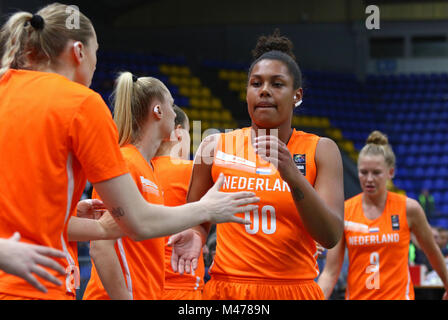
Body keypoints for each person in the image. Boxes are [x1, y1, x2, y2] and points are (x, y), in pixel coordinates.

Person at [0, 3, 258, 300]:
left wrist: (74, 220)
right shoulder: (81, 103)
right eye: (97, 51)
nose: (97, 63)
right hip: (38, 287)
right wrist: (207, 209)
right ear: (79, 52)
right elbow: (138, 223)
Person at [169, 29, 344, 300]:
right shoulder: (214, 145)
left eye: (276, 84)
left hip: (294, 289)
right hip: (228, 290)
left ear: (297, 95)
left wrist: (292, 176)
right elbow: (197, 215)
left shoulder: (321, 150)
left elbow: (330, 236)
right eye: (256, 83)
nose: (264, 91)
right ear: (247, 92)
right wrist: (196, 235)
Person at [317, 131, 448, 300]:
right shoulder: (345, 211)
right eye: (363, 172)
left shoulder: (409, 208)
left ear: (390, 172)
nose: (369, 179)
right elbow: (330, 272)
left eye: (376, 173)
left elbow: (433, 253)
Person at [83, 72, 178, 300]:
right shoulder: (124, 162)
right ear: (157, 111)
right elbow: (100, 246)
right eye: (172, 106)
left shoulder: (147, 167)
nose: (176, 114)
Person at [153, 106, 205, 300]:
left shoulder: (134, 170)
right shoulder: (192, 171)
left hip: (140, 282)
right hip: (181, 283)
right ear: (179, 133)